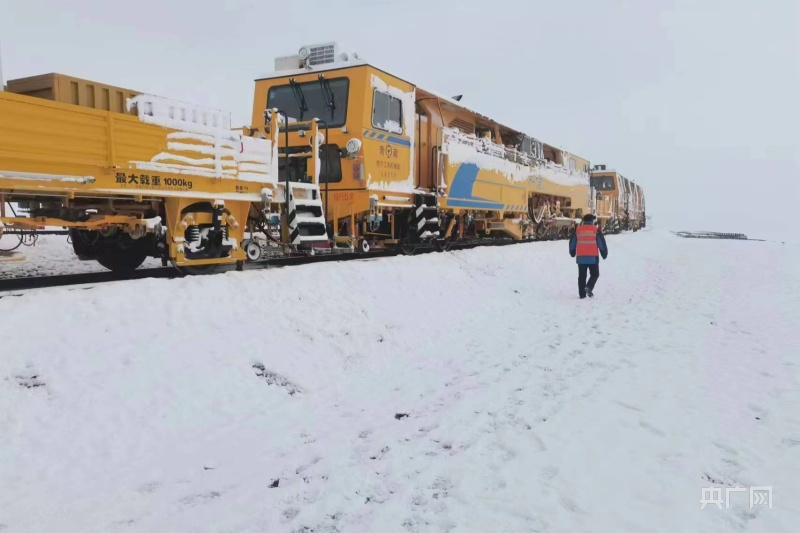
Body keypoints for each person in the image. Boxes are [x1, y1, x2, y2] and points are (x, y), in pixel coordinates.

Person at [569, 214, 608, 299]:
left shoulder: (578, 230)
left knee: (582, 277)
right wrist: (604, 254)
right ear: (592, 221)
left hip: (581, 258)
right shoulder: (595, 230)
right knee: (595, 274)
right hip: (593, 258)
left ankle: (582, 295)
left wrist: (572, 252)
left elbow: (572, 242)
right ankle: (589, 287)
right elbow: (601, 243)